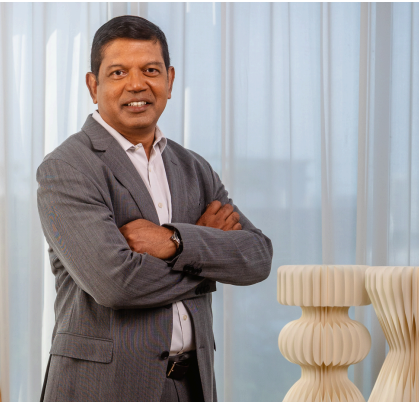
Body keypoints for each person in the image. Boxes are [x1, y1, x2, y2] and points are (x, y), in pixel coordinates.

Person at [36, 15, 273, 402]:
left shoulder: (194, 168)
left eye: (150, 70)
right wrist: (208, 255)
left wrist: (174, 241)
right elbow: (116, 284)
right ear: (93, 86)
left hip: (192, 386)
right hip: (103, 389)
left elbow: (258, 257)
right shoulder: (67, 168)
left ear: (170, 80)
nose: (136, 84)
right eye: (118, 72)